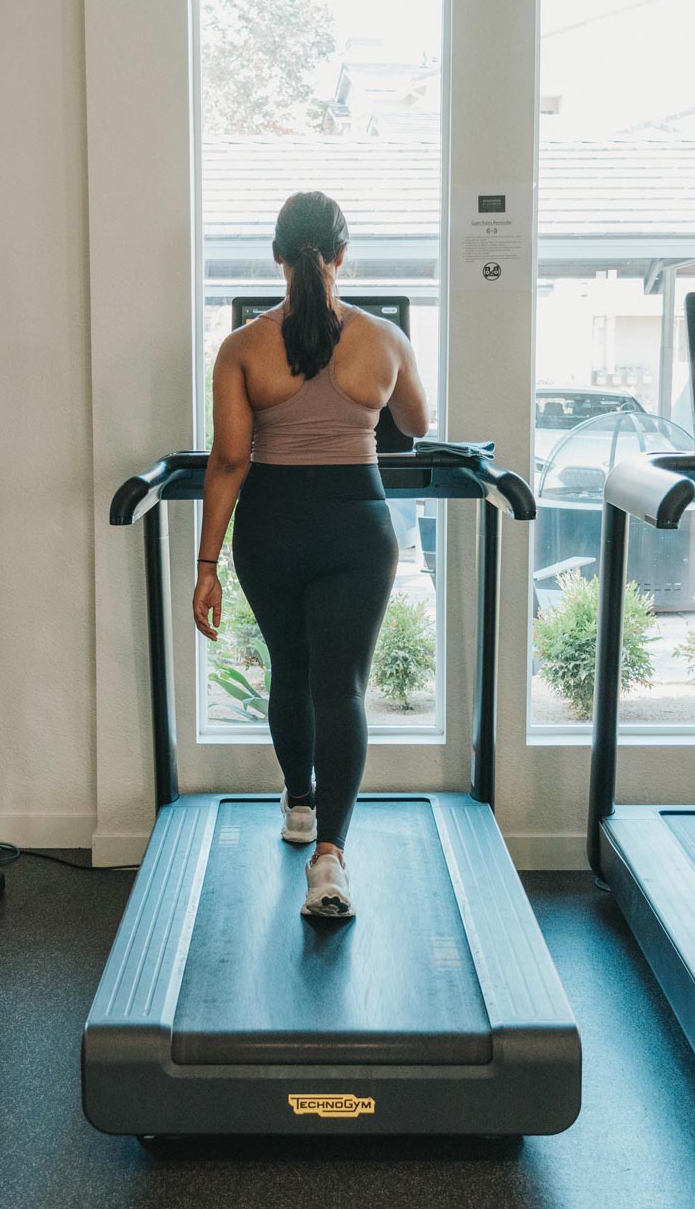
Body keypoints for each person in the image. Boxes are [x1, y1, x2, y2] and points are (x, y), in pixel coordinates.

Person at [191, 191, 431, 918]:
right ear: (341, 255)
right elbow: (416, 424)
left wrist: (205, 566)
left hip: (272, 525)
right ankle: (330, 861)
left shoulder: (240, 349)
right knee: (343, 687)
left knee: (289, 670)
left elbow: (230, 460)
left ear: (276, 257)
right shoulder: (384, 339)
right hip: (357, 528)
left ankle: (299, 805)